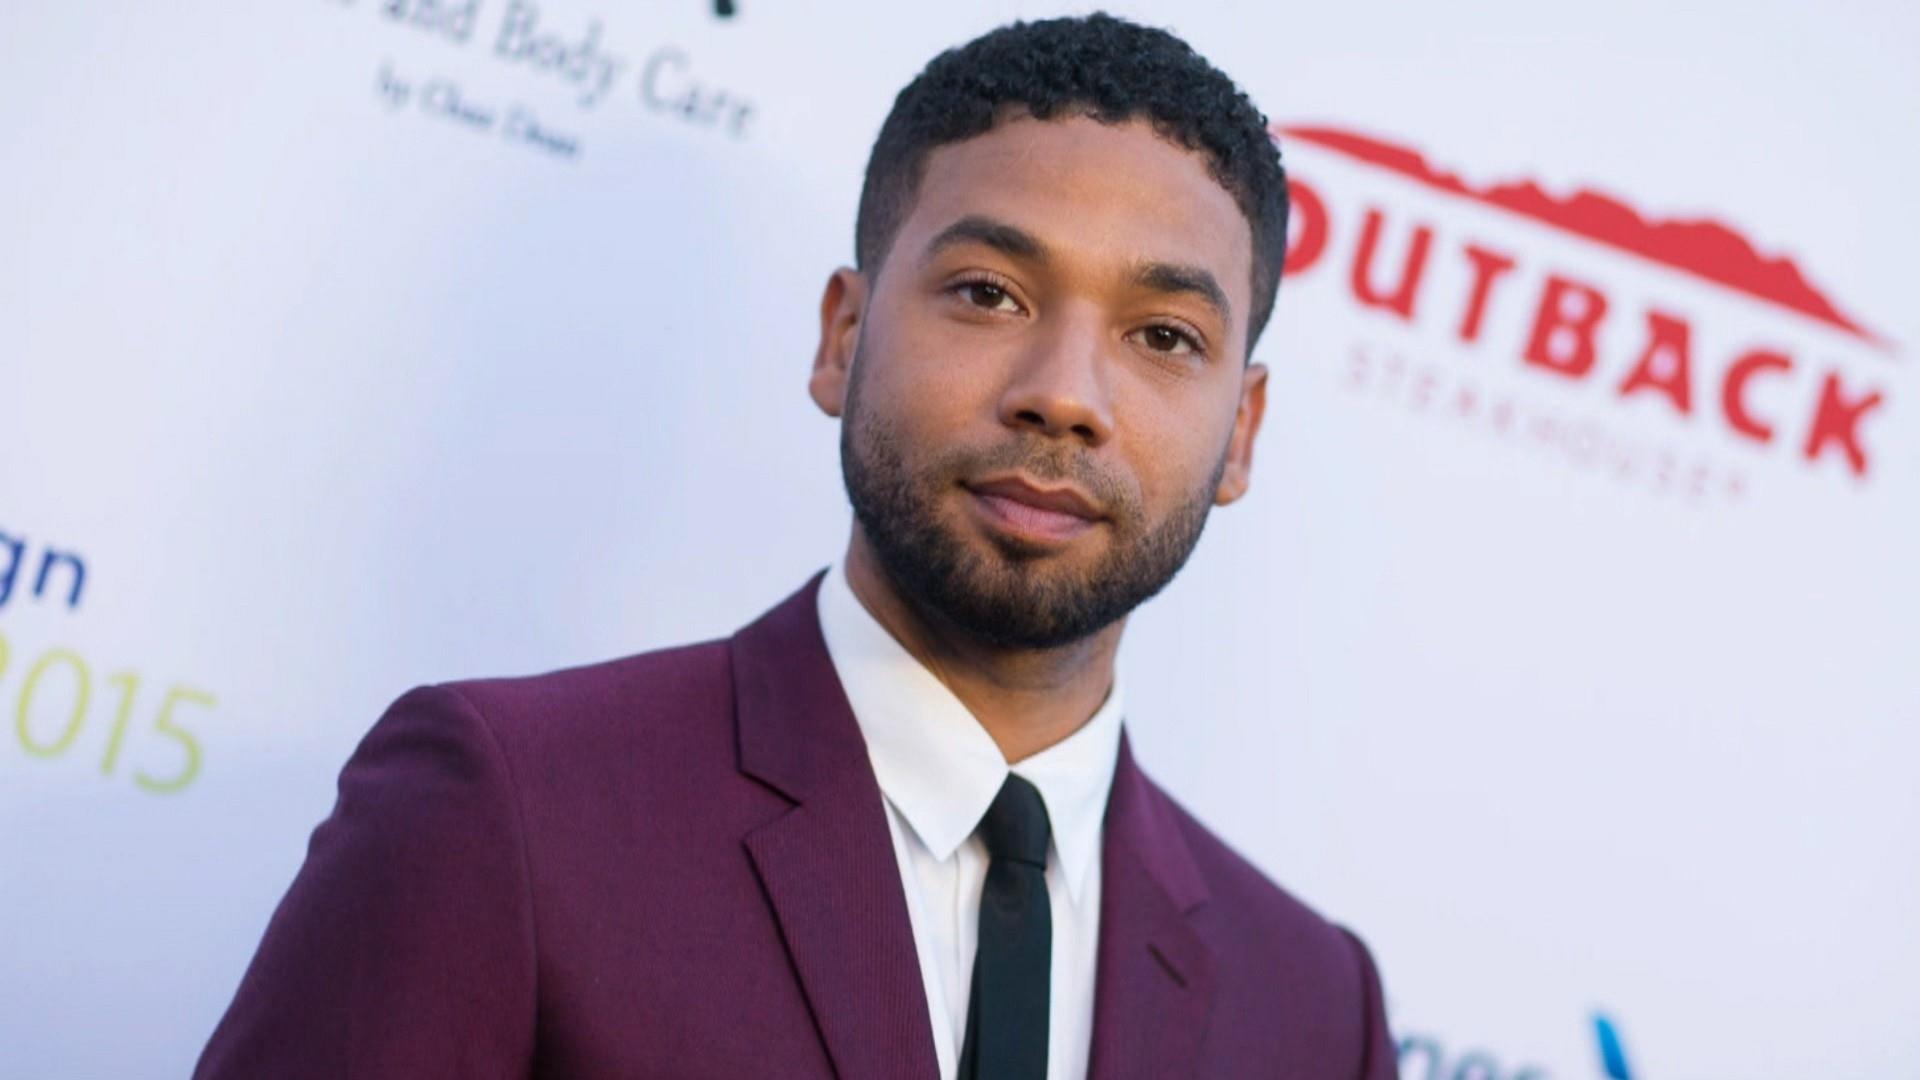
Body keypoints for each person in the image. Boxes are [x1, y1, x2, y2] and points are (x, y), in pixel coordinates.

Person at [194, 13, 1396, 1079]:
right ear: (842, 337)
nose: (1065, 394)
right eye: (990, 293)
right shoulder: (507, 810)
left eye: (1165, 336)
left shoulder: (1315, 1012)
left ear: (1241, 433)